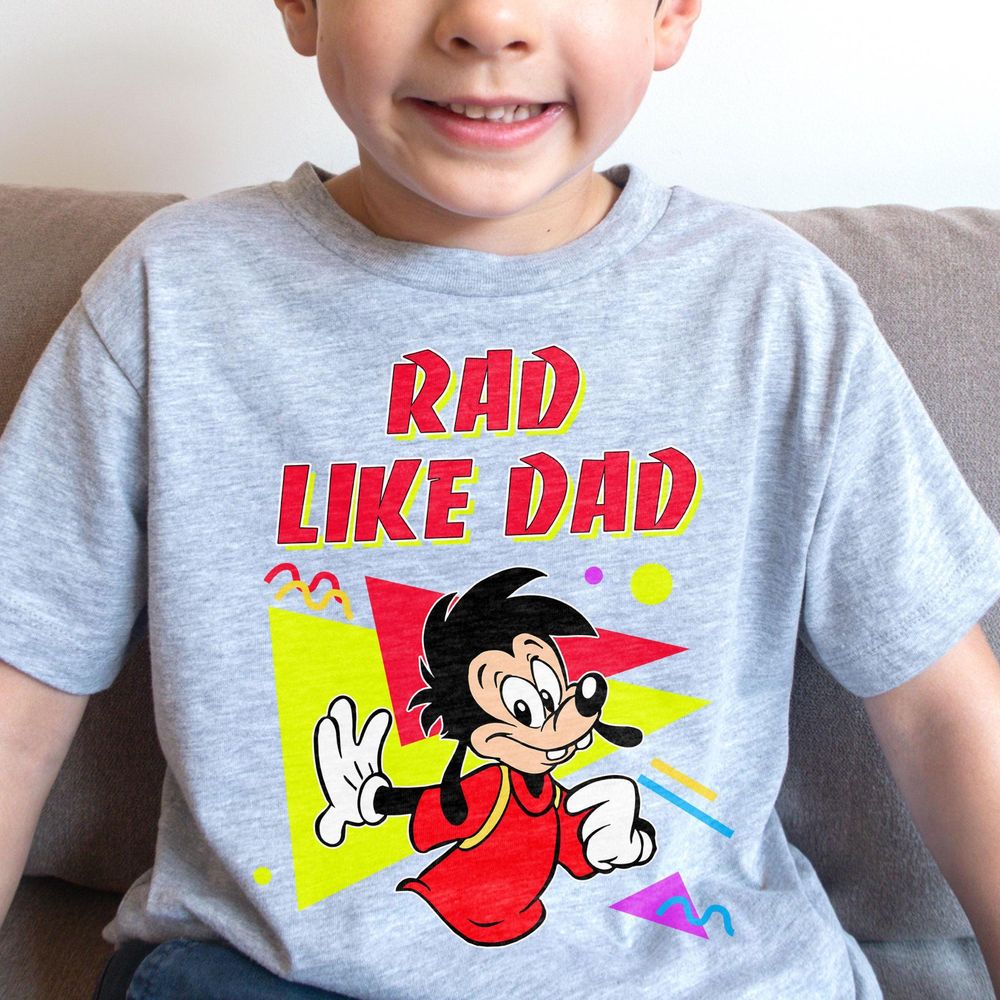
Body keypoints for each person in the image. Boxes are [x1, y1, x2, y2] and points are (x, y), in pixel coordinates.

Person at [1, 0, 999, 997]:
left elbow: (943, 714)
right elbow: (18, 700)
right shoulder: (173, 292)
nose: (487, 20)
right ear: (302, 6)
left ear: (670, 14)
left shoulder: (777, 307)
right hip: (273, 977)